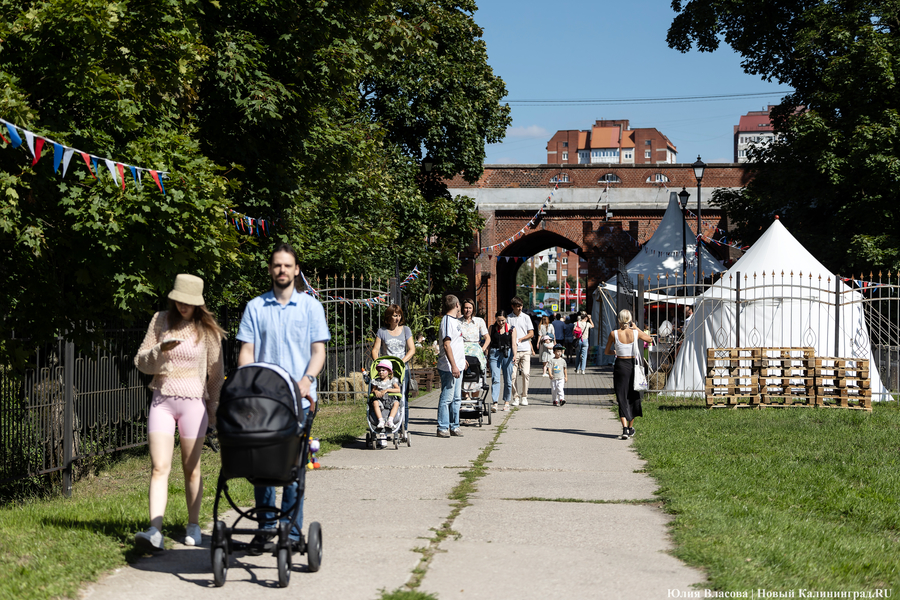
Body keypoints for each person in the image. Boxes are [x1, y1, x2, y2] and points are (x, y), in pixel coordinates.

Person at [236, 243, 330, 553]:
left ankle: (290, 530)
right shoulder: (255, 307)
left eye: (287, 266)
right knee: (262, 466)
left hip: (298, 401)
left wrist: (307, 381)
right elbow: (246, 351)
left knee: (292, 469)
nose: (282, 270)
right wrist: (248, 383)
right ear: (270, 269)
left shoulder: (310, 307)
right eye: (277, 265)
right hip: (262, 402)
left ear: (296, 270)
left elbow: (319, 351)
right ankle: (265, 527)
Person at [134, 274, 226, 552]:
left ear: (197, 303)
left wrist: (213, 410)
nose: (182, 306)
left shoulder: (207, 331)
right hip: (162, 399)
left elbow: (215, 374)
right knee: (159, 467)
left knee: (191, 468)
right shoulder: (160, 320)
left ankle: (194, 525)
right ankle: (155, 530)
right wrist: (160, 350)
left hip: (194, 404)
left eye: (188, 302)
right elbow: (141, 361)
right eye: (178, 300)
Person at [604, 309, 652, 440]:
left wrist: (615, 351)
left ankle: (625, 429)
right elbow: (650, 339)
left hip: (620, 365)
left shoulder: (614, 334)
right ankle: (630, 428)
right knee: (633, 395)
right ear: (630, 319)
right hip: (633, 366)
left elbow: (606, 351)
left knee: (622, 396)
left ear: (618, 320)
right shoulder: (635, 333)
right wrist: (637, 328)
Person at [371, 304, 415, 430]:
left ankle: (403, 428)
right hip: (386, 371)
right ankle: (385, 422)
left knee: (402, 398)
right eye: (395, 316)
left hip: (402, 370)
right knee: (385, 397)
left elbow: (411, 350)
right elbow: (375, 350)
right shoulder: (382, 332)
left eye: (399, 316)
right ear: (389, 317)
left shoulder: (406, 330)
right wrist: (379, 365)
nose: (397, 318)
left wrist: (402, 362)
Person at [436, 294, 466, 438]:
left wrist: (462, 360)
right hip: (448, 366)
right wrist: (454, 365)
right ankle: (443, 426)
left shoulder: (455, 321)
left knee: (457, 398)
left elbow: (456, 343)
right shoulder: (447, 320)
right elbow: (447, 344)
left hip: (458, 365)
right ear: (457, 305)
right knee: (447, 397)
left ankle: (455, 426)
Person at [487, 311, 517, 412]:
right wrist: (486, 355)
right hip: (494, 354)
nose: (501, 323)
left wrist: (515, 355)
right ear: (496, 319)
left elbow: (514, 344)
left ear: (506, 319)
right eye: (499, 320)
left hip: (507, 354)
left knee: (508, 379)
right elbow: (488, 342)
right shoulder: (492, 328)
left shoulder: (512, 329)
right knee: (495, 378)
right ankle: (495, 403)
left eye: (503, 320)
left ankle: (506, 402)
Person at [507, 297, 534, 407]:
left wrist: (521, 339)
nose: (520, 308)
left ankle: (524, 396)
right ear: (513, 306)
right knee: (512, 375)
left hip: (525, 349)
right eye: (518, 306)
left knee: (526, 373)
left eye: (521, 306)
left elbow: (531, 333)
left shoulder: (526, 317)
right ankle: (515, 397)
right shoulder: (508, 318)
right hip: (513, 351)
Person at [459, 298, 490, 376]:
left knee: (476, 357)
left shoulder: (479, 321)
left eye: (470, 308)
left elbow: (487, 338)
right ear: (463, 309)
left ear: (473, 309)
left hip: (475, 348)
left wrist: (482, 349)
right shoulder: (458, 322)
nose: (468, 310)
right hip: (462, 347)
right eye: (466, 308)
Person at [370, 359, 401, 430]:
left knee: (396, 403)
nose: (381, 372)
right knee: (375, 402)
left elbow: (398, 389)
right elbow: (373, 390)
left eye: (383, 370)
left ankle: (390, 420)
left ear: (389, 371)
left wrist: (387, 390)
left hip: (391, 400)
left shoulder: (392, 380)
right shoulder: (377, 381)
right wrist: (376, 391)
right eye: (379, 371)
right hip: (380, 400)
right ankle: (381, 421)